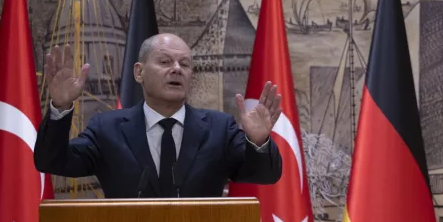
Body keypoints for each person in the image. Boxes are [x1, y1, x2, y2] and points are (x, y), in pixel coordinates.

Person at [34, 33, 283, 198]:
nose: (176, 69)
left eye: (185, 65)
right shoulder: (107, 129)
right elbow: (52, 162)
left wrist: (259, 143)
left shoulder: (219, 128)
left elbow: (265, 175)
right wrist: (59, 107)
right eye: (165, 62)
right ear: (139, 72)